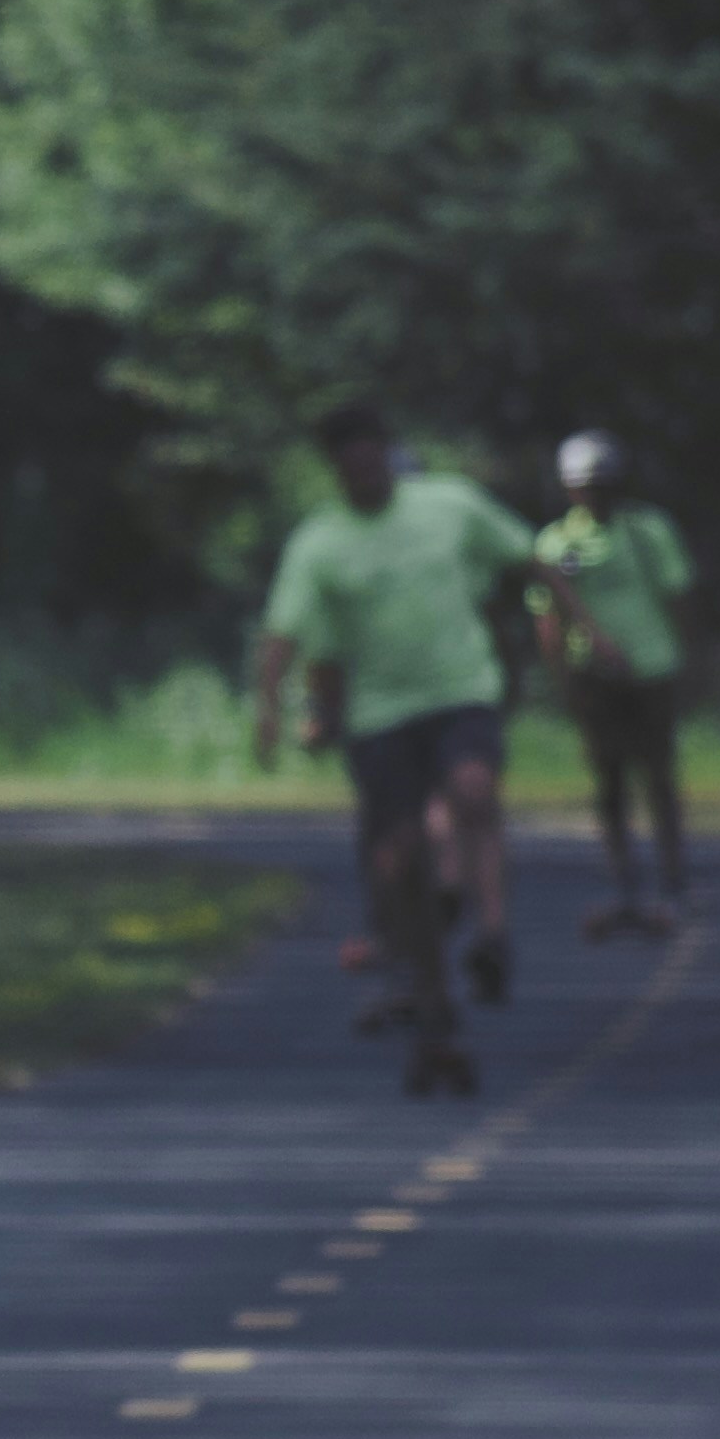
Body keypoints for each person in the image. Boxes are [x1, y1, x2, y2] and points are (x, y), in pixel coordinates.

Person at [247, 400, 537, 1012]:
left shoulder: (449, 511)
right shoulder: (323, 542)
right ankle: (419, 972)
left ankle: (491, 931)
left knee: (471, 794)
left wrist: (538, 652)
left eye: (374, 462)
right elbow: (302, 640)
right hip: (380, 712)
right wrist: (279, 712)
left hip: (459, 691)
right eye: (350, 466)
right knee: (400, 847)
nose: (367, 476)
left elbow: (518, 576)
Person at [530, 428, 694, 937]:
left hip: (652, 669)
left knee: (659, 772)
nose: (593, 495)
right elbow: (547, 618)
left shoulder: (647, 531)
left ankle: (672, 873)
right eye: (584, 486)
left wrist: (687, 658)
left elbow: (679, 595)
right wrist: (562, 679)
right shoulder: (558, 543)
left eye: (601, 484)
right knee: (609, 777)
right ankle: (623, 873)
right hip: (593, 676)